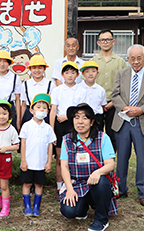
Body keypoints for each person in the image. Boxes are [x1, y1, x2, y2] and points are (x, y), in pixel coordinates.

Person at [112, 44, 144, 207]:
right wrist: (125, 108)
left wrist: (141, 110)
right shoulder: (121, 74)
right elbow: (115, 95)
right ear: (128, 59)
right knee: (121, 158)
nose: (135, 62)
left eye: (139, 58)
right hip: (123, 121)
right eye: (132, 58)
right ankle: (120, 188)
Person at [60, 103, 117, 231]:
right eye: (76, 117)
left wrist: (97, 173)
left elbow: (110, 164)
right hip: (78, 184)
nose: (80, 122)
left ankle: (101, 220)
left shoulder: (103, 138)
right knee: (68, 211)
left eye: (85, 118)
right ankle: (82, 208)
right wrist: (69, 189)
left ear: (91, 122)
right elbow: (64, 167)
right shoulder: (67, 140)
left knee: (102, 181)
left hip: (97, 182)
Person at [49, 61, 85, 200]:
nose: (70, 75)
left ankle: (74, 183)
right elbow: (53, 111)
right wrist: (51, 130)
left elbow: (81, 110)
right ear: (62, 75)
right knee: (60, 158)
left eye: (73, 72)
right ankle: (59, 187)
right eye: (67, 73)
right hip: (60, 127)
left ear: (77, 74)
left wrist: (68, 116)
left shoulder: (82, 90)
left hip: (76, 126)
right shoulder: (57, 90)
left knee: (75, 157)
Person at [19, 93, 56, 216]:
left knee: (39, 184)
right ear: (31, 110)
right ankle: (27, 207)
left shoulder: (48, 128)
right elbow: (23, 144)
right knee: (27, 183)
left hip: (41, 163)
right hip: (28, 162)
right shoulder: (27, 126)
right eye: (38, 107)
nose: (41, 110)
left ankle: (36, 207)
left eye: (44, 108)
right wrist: (23, 160)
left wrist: (49, 162)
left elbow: (50, 145)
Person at [91, 30, 127, 151]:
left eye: (108, 40)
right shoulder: (92, 61)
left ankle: (110, 162)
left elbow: (124, 85)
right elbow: (88, 83)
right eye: (102, 40)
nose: (105, 42)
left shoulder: (120, 62)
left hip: (114, 104)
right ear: (98, 43)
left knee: (113, 134)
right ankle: (97, 161)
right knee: (96, 134)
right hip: (96, 105)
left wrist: (112, 103)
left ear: (113, 42)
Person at [19, 54, 54, 131]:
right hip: (29, 114)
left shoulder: (50, 84)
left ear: (44, 69)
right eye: (34, 68)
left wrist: (52, 126)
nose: (37, 70)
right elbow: (24, 104)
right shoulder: (25, 84)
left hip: (45, 115)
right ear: (30, 69)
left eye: (40, 68)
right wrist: (21, 121)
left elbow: (52, 107)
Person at [77, 61, 107, 129]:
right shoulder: (78, 88)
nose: (90, 74)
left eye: (93, 71)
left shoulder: (101, 90)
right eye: (87, 71)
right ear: (83, 74)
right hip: (82, 118)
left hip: (97, 118)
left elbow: (103, 105)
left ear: (97, 73)